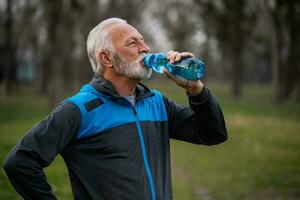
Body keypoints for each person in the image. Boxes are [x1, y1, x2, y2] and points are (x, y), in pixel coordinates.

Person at [3, 18, 227, 200]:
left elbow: (212, 133)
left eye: (142, 40)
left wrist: (196, 89)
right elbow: (20, 163)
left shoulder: (156, 102)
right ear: (106, 58)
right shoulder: (79, 109)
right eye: (133, 43)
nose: (145, 48)